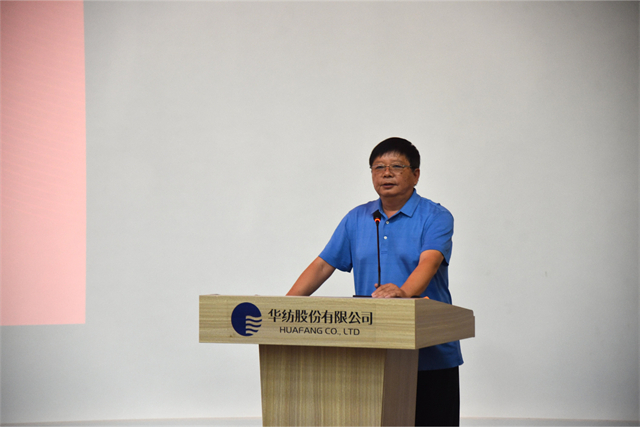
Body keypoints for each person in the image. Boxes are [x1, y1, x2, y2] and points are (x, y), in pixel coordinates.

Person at [286, 137, 462, 426]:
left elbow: (428, 263)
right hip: (373, 353)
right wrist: (283, 307)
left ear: (416, 174)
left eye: (396, 166)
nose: (386, 173)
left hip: (429, 353)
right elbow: (322, 265)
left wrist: (403, 292)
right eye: (379, 167)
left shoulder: (436, 216)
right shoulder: (357, 218)